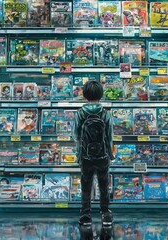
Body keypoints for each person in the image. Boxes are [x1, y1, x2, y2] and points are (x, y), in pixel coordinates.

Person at [73, 80, 114, 226]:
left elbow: (76, 136)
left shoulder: (80, 113)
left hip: (85, 156)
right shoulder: (105, 114)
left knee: (86, 185)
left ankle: (85, 216)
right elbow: (110, 136)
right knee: (104, 185)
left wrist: (79, 153)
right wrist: (110, 154)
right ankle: (106, 215)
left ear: (84, 95)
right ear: (101, 95)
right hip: (102, 156)